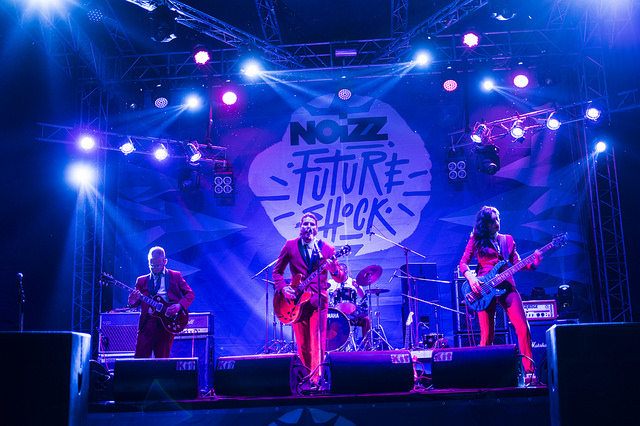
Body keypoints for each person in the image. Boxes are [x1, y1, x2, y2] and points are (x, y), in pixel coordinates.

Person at [459, 206, 542, 376]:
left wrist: (533, 264)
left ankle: (529, 372)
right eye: (493, 221)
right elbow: (463, 263)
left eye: (498, 219)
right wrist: (472, 279)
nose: (497, 223)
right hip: (483, 289)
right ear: (485, 224)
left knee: (523, 327)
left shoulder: (507, 240)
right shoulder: (476, 239)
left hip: (507, 286)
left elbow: (517, 263)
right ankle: (484, 374)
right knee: (487, 335)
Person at [273, 212, 346, 384]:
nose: (309, 227)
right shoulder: (290, 246)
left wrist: (334, 270)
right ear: (300, 227)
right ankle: (306, 380)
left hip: (318, 301)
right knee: (303, 344)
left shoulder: (327, 249)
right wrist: (283, 288)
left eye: (312, 225)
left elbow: (340, 277)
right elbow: (277, 272)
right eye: (305, 224)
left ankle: (317, 380)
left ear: (317, 229)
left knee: (317, 340)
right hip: (296, 302)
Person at [128, 246, 195, 358]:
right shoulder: (141, 280)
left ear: (165, 262)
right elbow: (135, 304)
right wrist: (131, 301)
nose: (154, 268)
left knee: (162, 359)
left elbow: (190, 294)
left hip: (167, 322)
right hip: (147, 323)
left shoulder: (175, 276)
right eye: (151, 265)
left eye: (157, 265)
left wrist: (179, 305)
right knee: (140, 359)